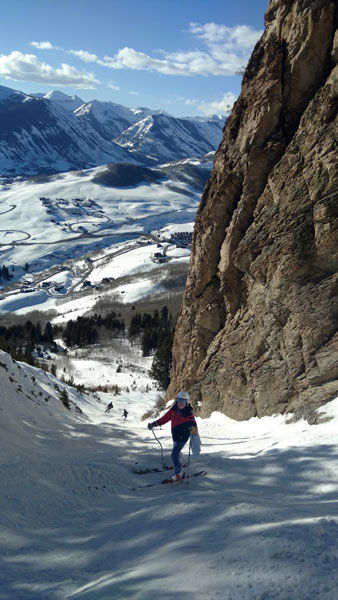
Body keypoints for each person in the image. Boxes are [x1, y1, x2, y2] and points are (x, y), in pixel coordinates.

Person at [148, 390, 197, 481]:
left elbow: (194, 425)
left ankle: (178, 474)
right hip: (175, 435)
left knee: (174, 454)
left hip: (183, 436)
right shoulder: (173, 410)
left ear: (187, 402)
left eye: (183, 402)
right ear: (176, 401)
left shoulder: (188, 413)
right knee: (176, 452)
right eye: (179, 401)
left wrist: (192, 431)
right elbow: (164, 419)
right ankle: (179, 463)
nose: (180, 404)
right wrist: (154, 424)